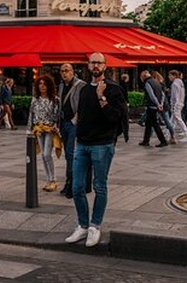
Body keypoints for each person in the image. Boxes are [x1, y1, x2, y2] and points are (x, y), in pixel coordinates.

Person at [65, 52, 124, 248]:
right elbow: (80, 115)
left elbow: (116, 118)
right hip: (82, 144)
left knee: (100, 186)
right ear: (88, 66)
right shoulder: (83, 89)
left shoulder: (113, 89)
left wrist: (102, 98)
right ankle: (82, 225)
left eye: (99, 62)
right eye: (92, 62)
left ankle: (95, 225)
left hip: (102, 145)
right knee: (77, 187)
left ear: (105, 66)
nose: (96, 66)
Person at [58, 63, 88, 199]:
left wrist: (76, 120)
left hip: (73, 124)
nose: (64, 73)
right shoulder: (61, 85)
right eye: (62, 71)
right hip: (63, 124)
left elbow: (84, 105)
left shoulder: (80, 85)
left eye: (67, 71)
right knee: (67, 154)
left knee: (71, 154)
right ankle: (69, 182)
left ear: (73, 72)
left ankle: (71, 183)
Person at [28, 74, 62, 192]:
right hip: (38, 128)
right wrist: (29, 130)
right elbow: (31, 115)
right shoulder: (35, 100)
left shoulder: (55, 100)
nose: (42, 87)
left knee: (47, 154)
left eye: (44, 84)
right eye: (40, 84)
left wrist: (56, 126)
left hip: (49, 129)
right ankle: (49, 179)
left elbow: (57, 116)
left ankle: (53, 179)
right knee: (43, 155)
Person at [138, 70, 168, 147]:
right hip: (157, 105)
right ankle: (146, 140)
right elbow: (162, 94)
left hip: (152, 105)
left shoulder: (147, 83)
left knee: (155, 124)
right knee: (148, 123)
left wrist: (157, 104)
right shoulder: (156, 81)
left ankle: (163, 140)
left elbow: (151, 95)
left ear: (143, 76)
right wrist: (161, 103)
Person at [168, 70, 187, 143]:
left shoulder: (175, 84)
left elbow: (176, 96)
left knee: (178, 120)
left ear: (174, 76)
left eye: (170, 75)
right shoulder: (180, 83)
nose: (169, 77)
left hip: (176, 104)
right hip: (180, 103)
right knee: (172, 120)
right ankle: (168, 134)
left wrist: (174, 105)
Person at [153, 71, 175, 143]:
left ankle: (147, 137)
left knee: (152, 121)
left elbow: (161, 95)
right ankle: (172, 136)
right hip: (164, 105)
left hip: (160, 105)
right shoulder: (162, 84)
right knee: (167, 121)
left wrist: (160, 104)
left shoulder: (157, 85)